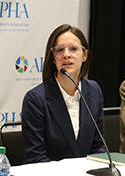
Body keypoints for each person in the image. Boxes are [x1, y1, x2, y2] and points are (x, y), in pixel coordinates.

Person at [21, 24, 106, 163]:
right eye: (59, 50)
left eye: (73, 49)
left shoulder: (94, 90)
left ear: (85, 55)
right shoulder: (35, 99)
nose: (66, 55)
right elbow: (37, 157)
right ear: (53, 59)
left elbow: (98, 147)